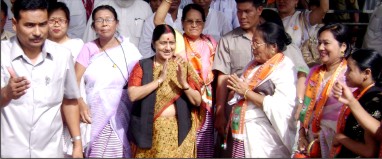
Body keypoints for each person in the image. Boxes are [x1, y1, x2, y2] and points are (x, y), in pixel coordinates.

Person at [0, 0, 82, 157]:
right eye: (30, 25)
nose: (37, 32)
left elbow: (70, 101)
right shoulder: (2, 54)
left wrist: (77, 143)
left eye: (43, 24)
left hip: (50, 152)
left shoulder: (62, 55)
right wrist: (6, 93)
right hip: (10, 152)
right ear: (15, 24)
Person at [75, 5, 142, 158]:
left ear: (116, 23)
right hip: (95, 112)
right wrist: (80, 103)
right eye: (99, 20)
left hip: (123, 110)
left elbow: (140, 76)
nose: (104, 24)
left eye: (108, 20)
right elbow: (74, 79)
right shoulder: (88, 48)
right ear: (93, 26)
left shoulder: (129, 49)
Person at [128, 24, 202, 158]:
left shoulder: (182, 66)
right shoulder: (143, 66)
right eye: (163, 43)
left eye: (172, 43)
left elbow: (197, 101)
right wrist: (159, 80)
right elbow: (133, 95)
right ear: (153, 43)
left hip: (180, 131)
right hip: (150, 132)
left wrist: (183, 83)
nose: (168, 47)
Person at [154, 1, 218, 157]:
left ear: (204, 23)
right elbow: (158, 21)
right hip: (183, 96)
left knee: (205, 142)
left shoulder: (210, 42)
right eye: (190, 21)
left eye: (198, 21)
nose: (194, 25)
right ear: (182, 23)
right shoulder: (178, 41)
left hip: (206, 100)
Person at [225, 22, 297, 158]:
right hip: (243, 131)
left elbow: (282, 107)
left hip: (264, 137)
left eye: (257, 43)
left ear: (273, 47)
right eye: (252, 43)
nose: (253, 48)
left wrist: (246, 92)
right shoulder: (252, 66)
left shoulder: (285, 67)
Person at [212, 0, 265, 157]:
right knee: (232, 151)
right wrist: (220, 112)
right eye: (239, 11)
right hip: (235, 106)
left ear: (259, 10)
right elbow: (222, 78)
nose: (242, 16)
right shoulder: (228, 40)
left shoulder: (271, 35)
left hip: (264, 107)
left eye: (247, 11)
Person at [298, 23, 352, 158]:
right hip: (311, 139)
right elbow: (305, 106)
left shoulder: (349, 75)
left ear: (343, 47)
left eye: (326, 43)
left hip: (336, 143)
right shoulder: (314, 72)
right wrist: (301, 134)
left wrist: (325, 135)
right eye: (319, 43)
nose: (321, 48)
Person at [329, 49, 382, 158]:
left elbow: (369, 151)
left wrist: (341, 138)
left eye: (350, 69)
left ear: (366, 73)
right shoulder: (360, 94)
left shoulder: (373, 100)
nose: (345, 74)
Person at [82, 0, 152, 47]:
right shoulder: (101, 7)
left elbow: (150, 42)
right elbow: (89, 40)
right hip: (106, 62)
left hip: (138, 64)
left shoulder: (145, 7)